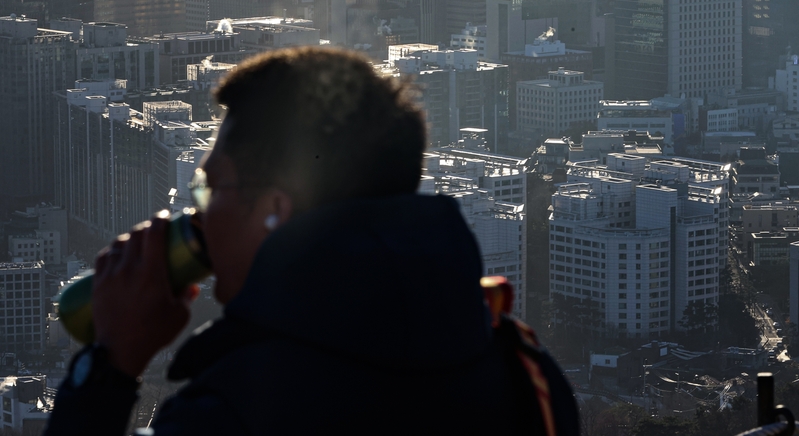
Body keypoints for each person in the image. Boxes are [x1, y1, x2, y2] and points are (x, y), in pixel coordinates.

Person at [45, 47, 579, 436]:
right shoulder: (527, 377)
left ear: (276, 210)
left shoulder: (237, 412)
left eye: (207, 188)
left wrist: (110, 367)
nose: (196, 213)